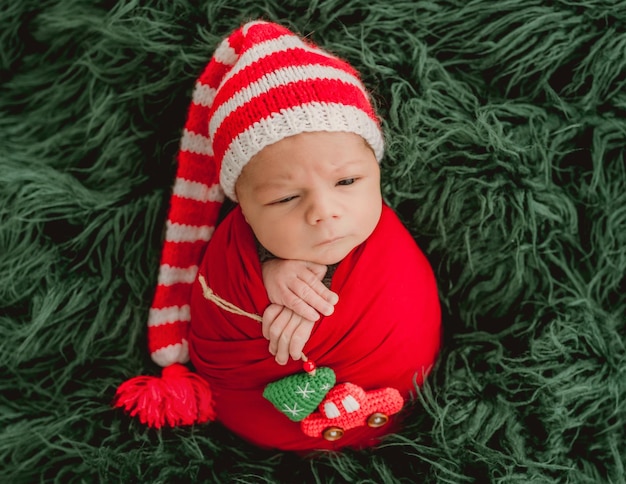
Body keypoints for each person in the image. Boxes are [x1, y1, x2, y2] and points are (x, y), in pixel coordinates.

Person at [115, 19, 441, 452]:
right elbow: (217, 290)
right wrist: (261, 275)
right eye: (285, 198)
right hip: (261, 418)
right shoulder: (232, 248)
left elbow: (406, 297)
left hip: (406, 395)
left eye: (347, 182)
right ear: (243, 208)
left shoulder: (387, 239)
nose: (324, 211)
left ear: (376, 169)